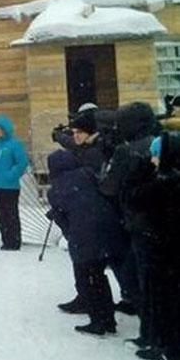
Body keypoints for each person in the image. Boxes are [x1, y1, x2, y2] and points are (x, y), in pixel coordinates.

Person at [99, 102, 159, 353]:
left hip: (140, 222)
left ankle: (154, 334)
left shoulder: (128, 151)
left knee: (138, 280)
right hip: (159, 222)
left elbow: (108, 187)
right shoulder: (159, 142)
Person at [47, 150, 122, 336]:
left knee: (88, 277)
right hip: (110, 227)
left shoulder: (55, 189)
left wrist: (58, 217)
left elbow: (66, 224)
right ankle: (108, 320)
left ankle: (98, 322)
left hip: (85, 235)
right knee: (98, 275)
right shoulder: (88, 174)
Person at [120, 133, 180, 360]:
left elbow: (134, 198)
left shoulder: (165, 184)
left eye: (155, 155)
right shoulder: (162, 180)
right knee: (156, 297)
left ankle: (167, 346)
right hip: (157, 250)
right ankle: (158, 340)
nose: (152, 159)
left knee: (166, 302)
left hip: (163, 255)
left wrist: (138, 172)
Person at [0, 115, 28, 250]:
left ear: (5, 129)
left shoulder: (15, 144)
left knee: (11, 214)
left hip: (9, 186)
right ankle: (5, 240)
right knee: (0, 213)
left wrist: (10, 175)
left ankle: (14, 241)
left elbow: (22, 163)